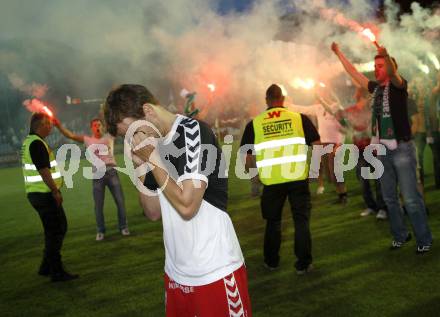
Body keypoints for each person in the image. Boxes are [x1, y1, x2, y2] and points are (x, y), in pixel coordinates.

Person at [103, 84, 251, 317]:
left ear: (148, 110)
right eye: (127, 137)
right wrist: (141, 164)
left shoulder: (193, 132)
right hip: (176, 273)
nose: (133, 140)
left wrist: (151, 157)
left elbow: (187, 206)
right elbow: (152, 212)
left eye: (132, 131)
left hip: (213, 269)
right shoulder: (152, 146)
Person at [331, 42, 433, 253]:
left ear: (389, 66)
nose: (376, 68)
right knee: (388, 198)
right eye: (375, 65)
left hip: (402, 149)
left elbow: (394, 73)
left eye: (380, 65)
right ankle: (400, 235)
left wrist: (385, 55)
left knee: (411, 198)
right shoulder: (375, 89)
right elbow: (354, 73)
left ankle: (424, 239)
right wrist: (339, 53)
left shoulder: (399, 85)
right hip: (382, 151)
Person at [240, 84, 320, 274]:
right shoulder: (299, 118)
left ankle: (271, 261)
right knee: (301, 221)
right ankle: (303, 263)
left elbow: (247, 155)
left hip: (271, 181)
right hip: (298, 177)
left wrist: (254, 179)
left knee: (273, 222)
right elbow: (317, 144)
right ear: (283, 100)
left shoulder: (256, 123)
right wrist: (315, 170)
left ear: (266, 100)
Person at [21, 112, 79, 282]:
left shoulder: (30, 141)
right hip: (44, 194)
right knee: (58, 229)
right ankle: (56, 270)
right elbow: (43, 170)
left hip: (36, 194)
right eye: (48, 124)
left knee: (53, 230)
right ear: (40, 125)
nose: (51, 126)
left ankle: (47, 266)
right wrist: (55, 191)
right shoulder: (37, 143)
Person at [55, 118, 130, 241]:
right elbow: (71, 135)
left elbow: (119, 126)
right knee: (98, 206)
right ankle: (100, 230)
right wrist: (58, 126)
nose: (97, 127)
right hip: (97, 175)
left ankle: (123, 227)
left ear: (103, 126)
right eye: (95, 125)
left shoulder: (109, 136)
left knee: (120, 202)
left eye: (99, 125)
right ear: (91, 128)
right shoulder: (87, 140)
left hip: (111, 171)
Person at [288, 92, 348, 204]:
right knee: (330, 173)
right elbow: (303, 109)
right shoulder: (318, 108)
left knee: (336, 170)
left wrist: (339, 143)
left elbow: (343, 126)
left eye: (325, 94)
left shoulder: (337, 107)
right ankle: (340, 194)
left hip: (336, 143)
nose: (323, 95)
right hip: (324, 143)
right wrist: (288, 104)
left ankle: (343, 195)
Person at [340, 86, 387, 219]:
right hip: (360, 150)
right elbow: (339, 117)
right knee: (363, 180)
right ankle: (370, 206)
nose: (370, 100)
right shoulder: (351, 110)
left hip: (374, 148)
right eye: (368, 97)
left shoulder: (373, 110)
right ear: (363, 97)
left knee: (378, 179)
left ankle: (382, 207)